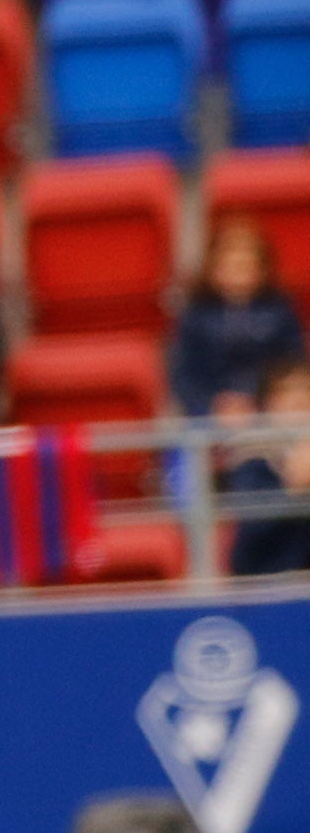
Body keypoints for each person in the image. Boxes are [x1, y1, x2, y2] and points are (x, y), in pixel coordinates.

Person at [174, 213, 303, 416]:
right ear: (213, 268)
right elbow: (184, 375)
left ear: (263, 269)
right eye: (231, 266)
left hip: (270, 414)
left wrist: (261, 402)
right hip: (211, 417)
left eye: (246, 266)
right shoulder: (196, 316)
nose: (238, 274)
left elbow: (293, 366)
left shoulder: (280, 312)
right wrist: (213, 406)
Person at [223, 355, 310, 575]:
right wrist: (291, 489)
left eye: (305, 390)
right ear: (268, 404)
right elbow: (252, 530)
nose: (298, 401)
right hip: (266, 578)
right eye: (286, 392)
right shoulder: (253, 455)